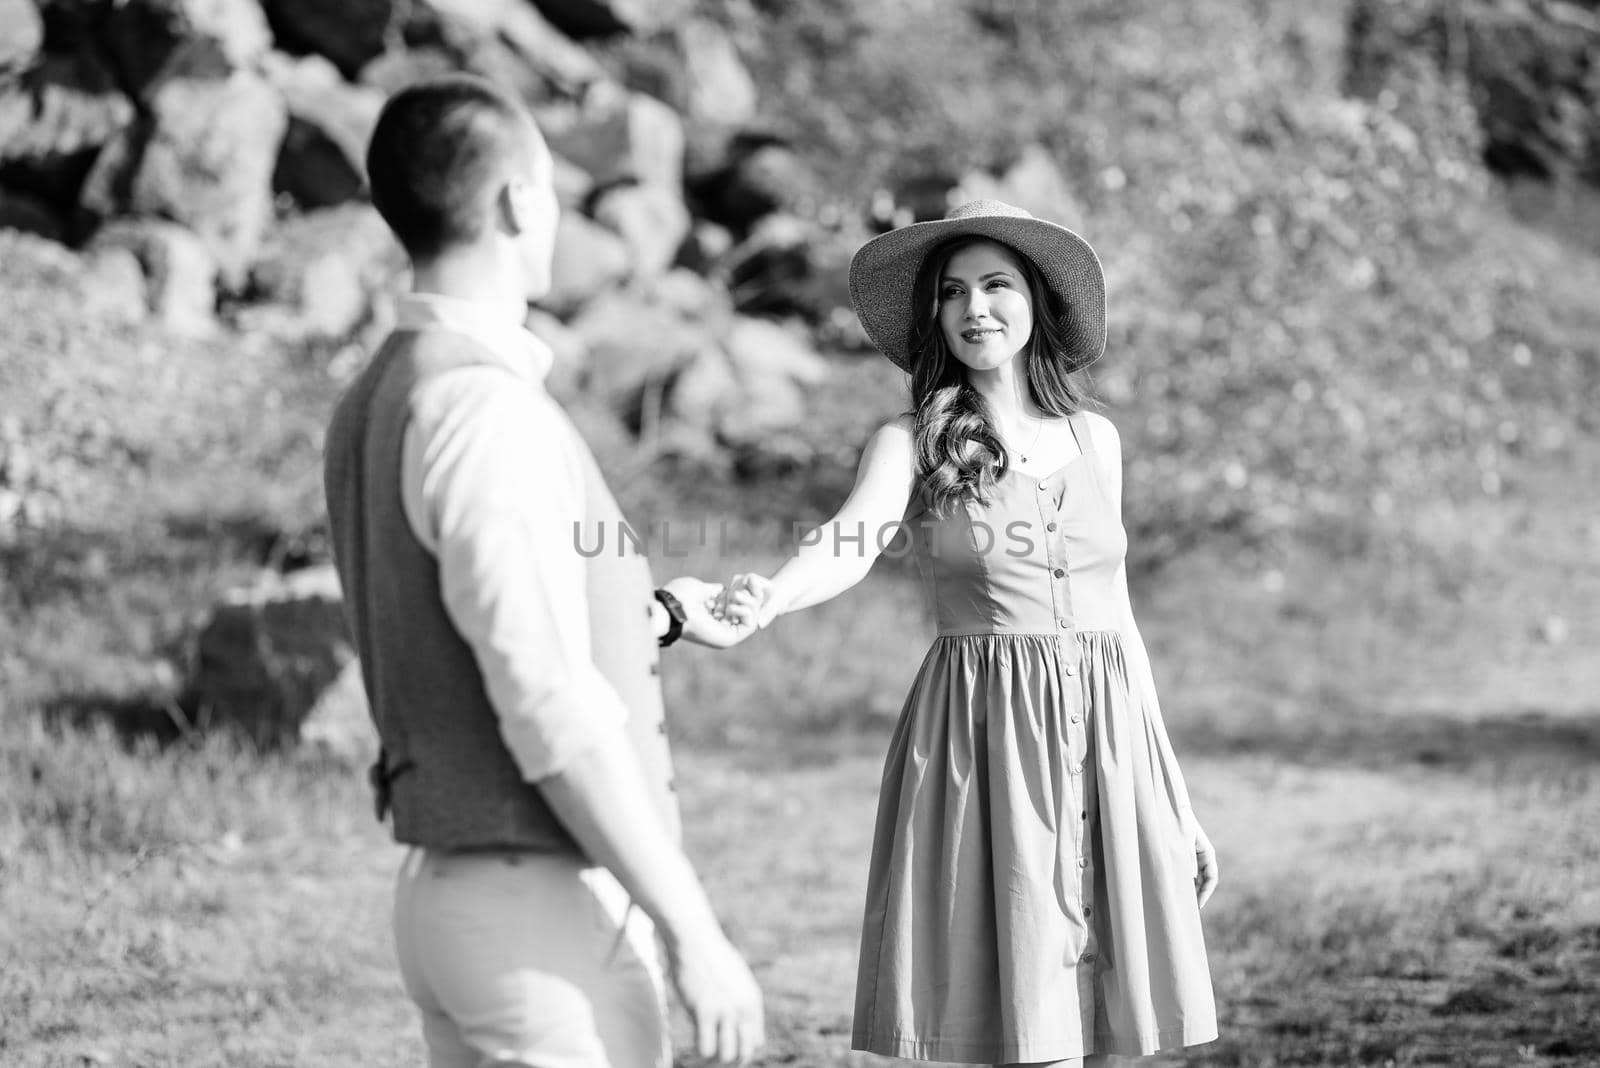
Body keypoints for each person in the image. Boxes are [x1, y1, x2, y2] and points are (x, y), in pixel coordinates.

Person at [321, 74, 764, 1068]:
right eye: (551, 191)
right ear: (518, 201)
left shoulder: (379, 392)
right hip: (538, 916)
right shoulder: (481, 409)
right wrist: (691, 929)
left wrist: (650, 617)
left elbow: (454, 619)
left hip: (462, 894)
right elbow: (547, 702)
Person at [719, 199, 1219, 1066]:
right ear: (935, 317)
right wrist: (772, 594)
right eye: (953, 293)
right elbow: (852, 538)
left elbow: (1122, 619)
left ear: (1036, 303)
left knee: (1105, 1019)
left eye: (996, 285)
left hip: (1108, 742)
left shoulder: (1097, 441)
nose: (975, 308)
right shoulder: (911, 440)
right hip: (987, 745)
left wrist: (1176, 799)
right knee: (1021, 1023)